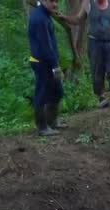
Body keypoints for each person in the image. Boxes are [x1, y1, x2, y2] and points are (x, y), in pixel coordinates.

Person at [59, 0, 110, 112]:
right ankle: (102, 98)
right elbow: (78, 19)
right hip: (95, 44)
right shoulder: (88, 3)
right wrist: (64, 17)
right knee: (97, 72)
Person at [28, 0, 66, 136]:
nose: (55, 4)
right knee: (42, 93)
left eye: (56, 1)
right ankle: (42, 127)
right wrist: (55, 66)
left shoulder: (46, 15)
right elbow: (45, 46)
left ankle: (52, 121)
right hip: (41, 62)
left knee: (57, 91)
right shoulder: (39, 18)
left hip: (49, 61)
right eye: (51, 1)